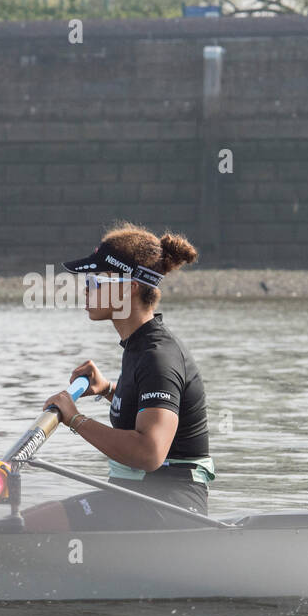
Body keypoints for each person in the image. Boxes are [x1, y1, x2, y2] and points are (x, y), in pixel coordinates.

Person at [23, 223, 213, 530]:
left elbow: (149, 452)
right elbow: (147, 412)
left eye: (96, 280)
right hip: (141, 498)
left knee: (34, 525)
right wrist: (108, 388)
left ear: (129, 287)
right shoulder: (139, 347)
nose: (86, 288)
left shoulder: (158, 357)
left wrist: (76, 420)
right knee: (33, 517)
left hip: (170, 508)